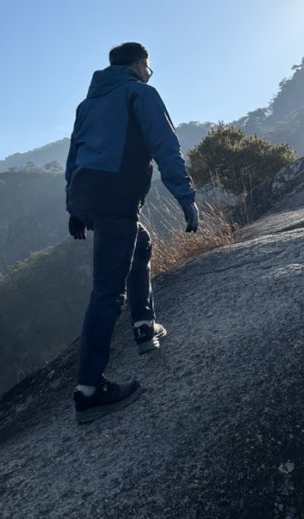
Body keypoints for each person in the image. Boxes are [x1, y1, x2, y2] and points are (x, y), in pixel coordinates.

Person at [65, 42, 198, 423]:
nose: (149, 72)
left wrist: (74, 209)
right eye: (148, 66)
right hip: (115, 192)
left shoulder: (87, 104)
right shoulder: (140, 92)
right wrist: (185, 197)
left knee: (140, 244)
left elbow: (74, 156)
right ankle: (89, 390)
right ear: (140, 64)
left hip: (86, 190)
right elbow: (165, 145)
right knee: (108, 290)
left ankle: (144, 325)